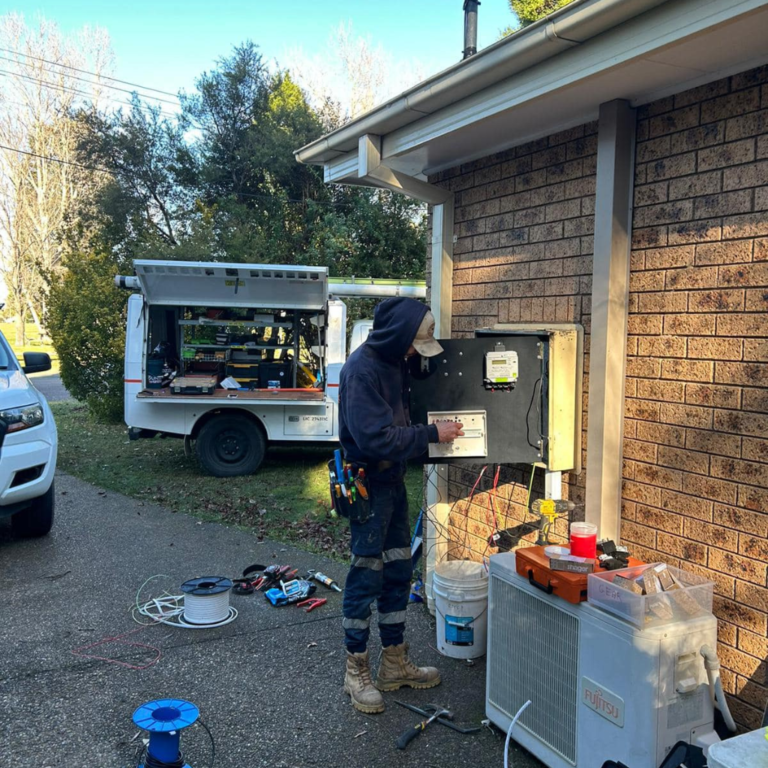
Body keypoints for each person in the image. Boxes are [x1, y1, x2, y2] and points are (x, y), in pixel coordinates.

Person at [337, 297, 464, 713]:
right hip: (369, 485)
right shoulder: (361, 371)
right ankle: (356, 670)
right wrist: (431, 434)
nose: (416, 353)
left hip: (392, 481)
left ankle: (394, 663)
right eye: (414, 345)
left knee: (397, 569)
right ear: (397, 336)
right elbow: (376, 439)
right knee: (365, 574)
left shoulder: (395, 361)